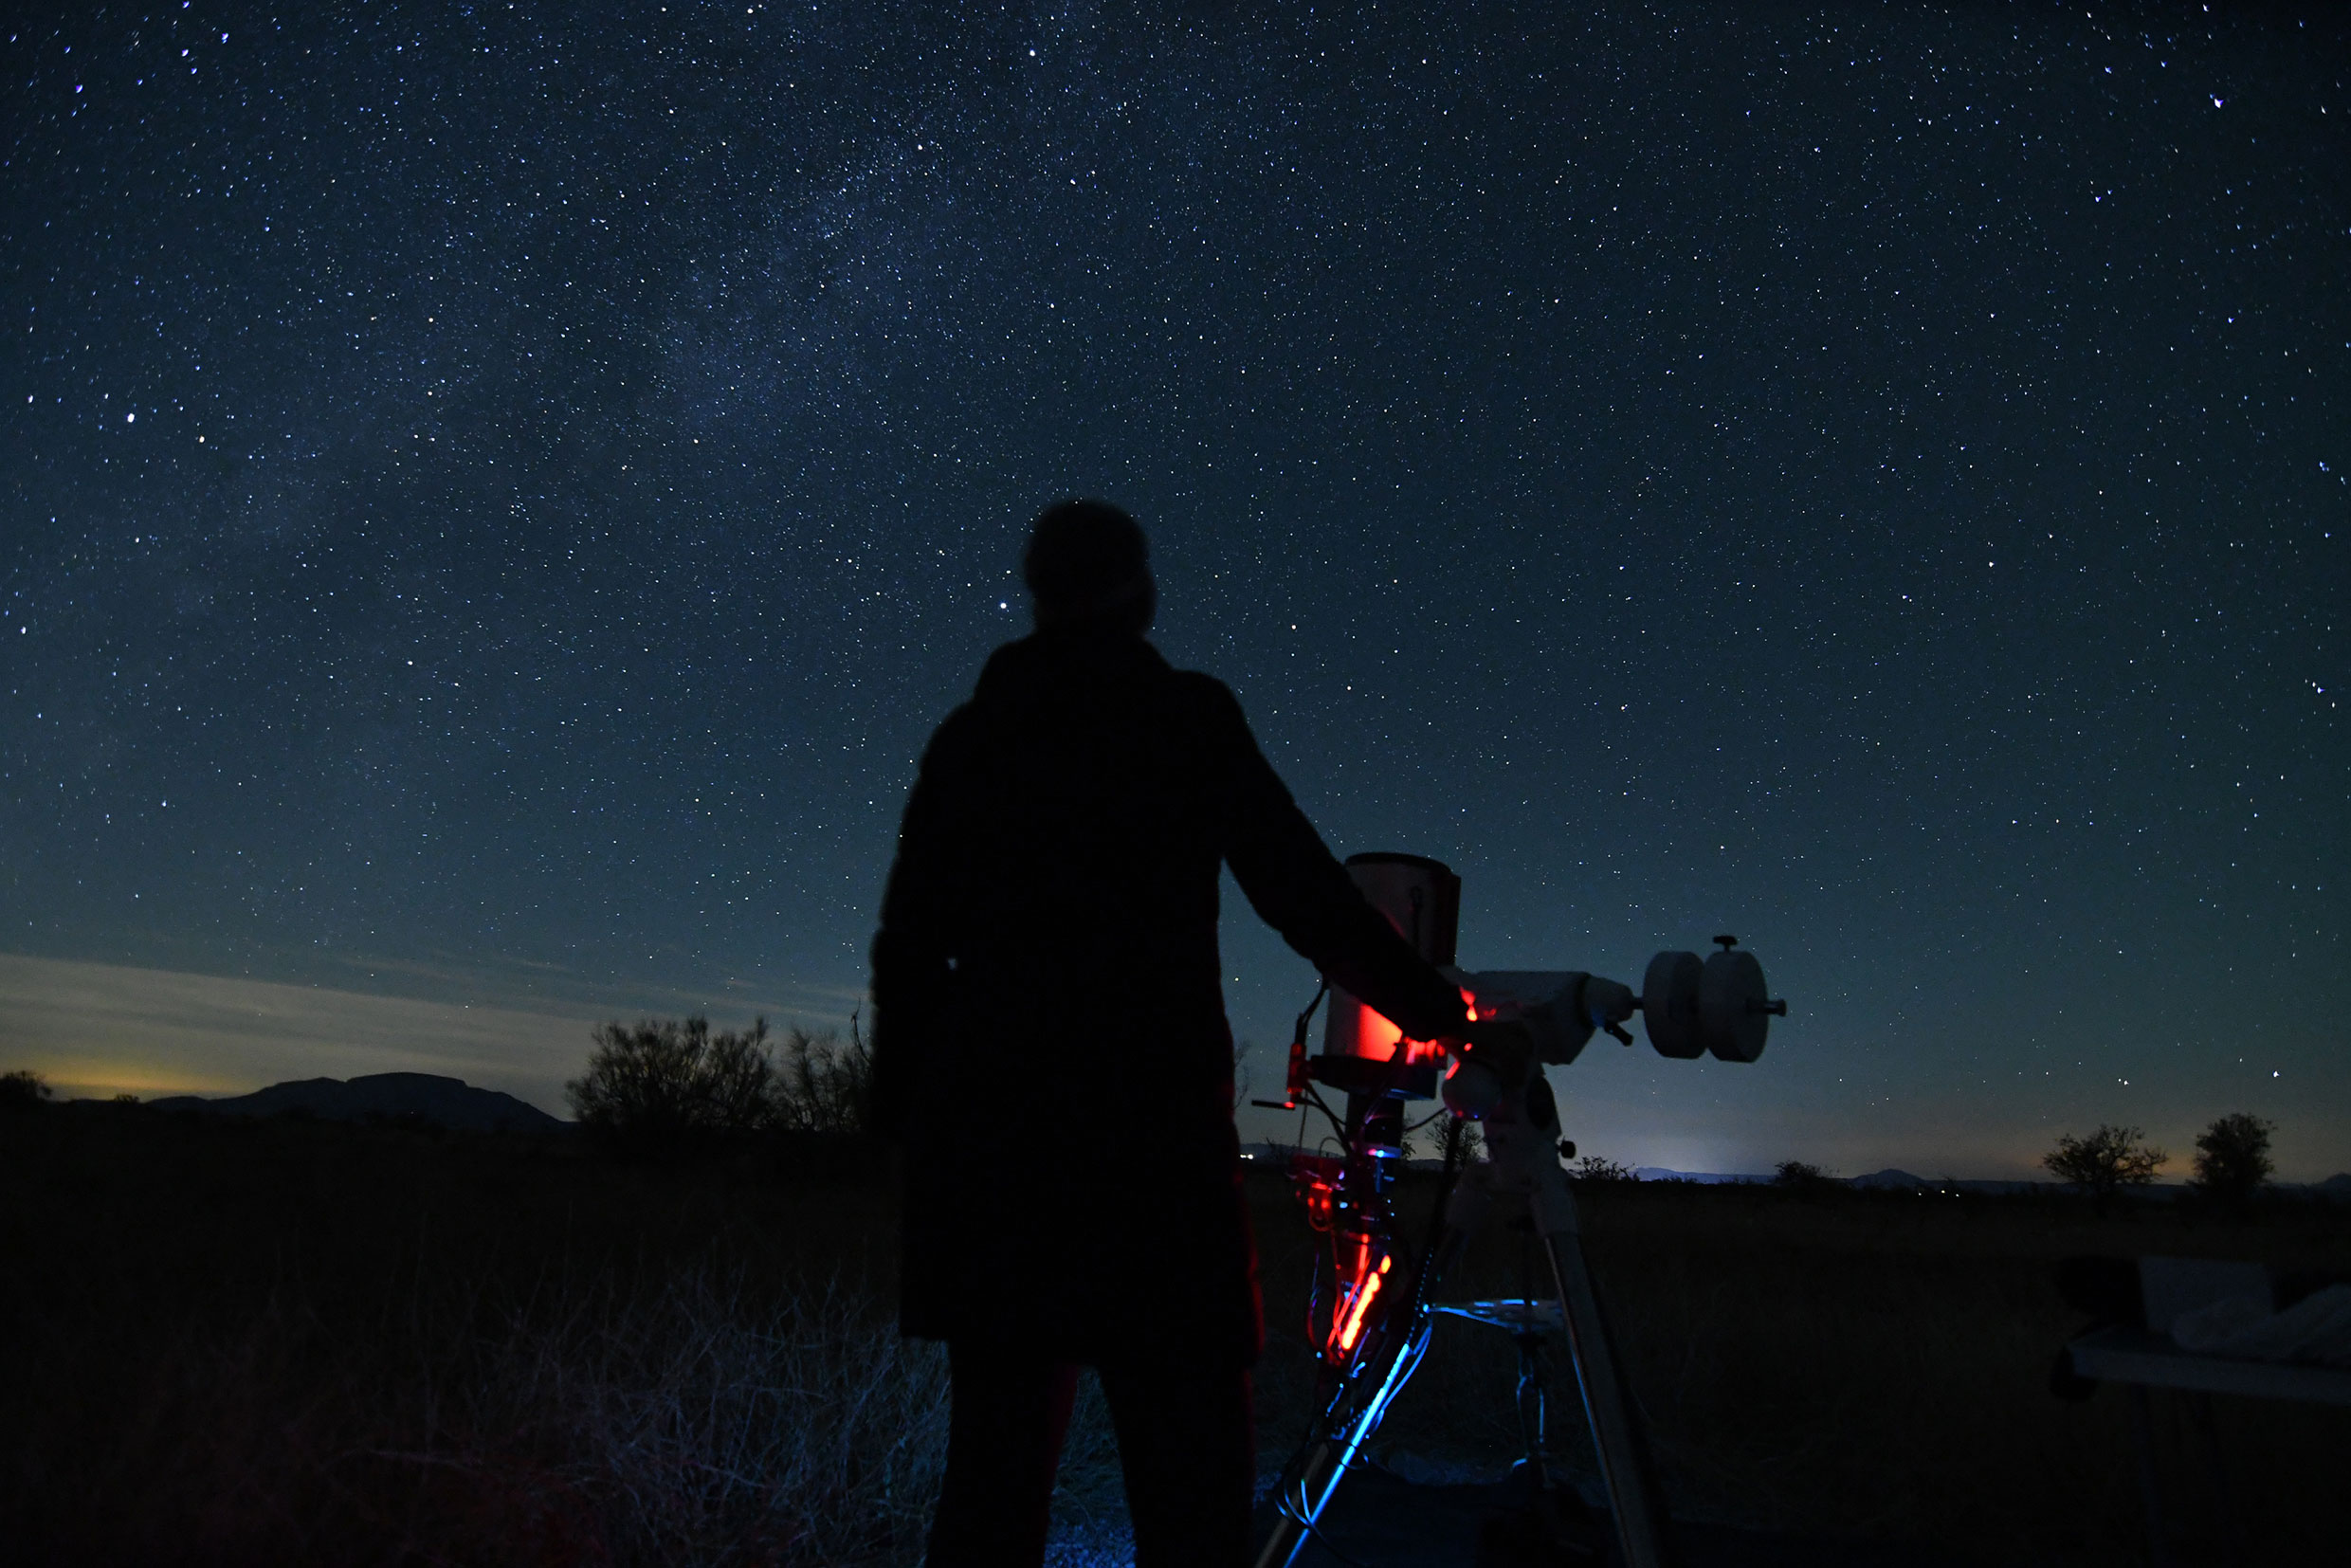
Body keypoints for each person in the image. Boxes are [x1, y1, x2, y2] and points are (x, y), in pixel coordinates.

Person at [869, 500, 1504, 1567]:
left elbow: (908, 948)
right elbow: (1309, 899)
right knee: (1190, 1499)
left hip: (996, 1173)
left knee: (990, 1493)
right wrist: (1450, 1021)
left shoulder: (972, 739)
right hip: (1150, 1170)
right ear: (1139, 592)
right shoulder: (1183, 718)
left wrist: (907, 1129)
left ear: (1037, 594)